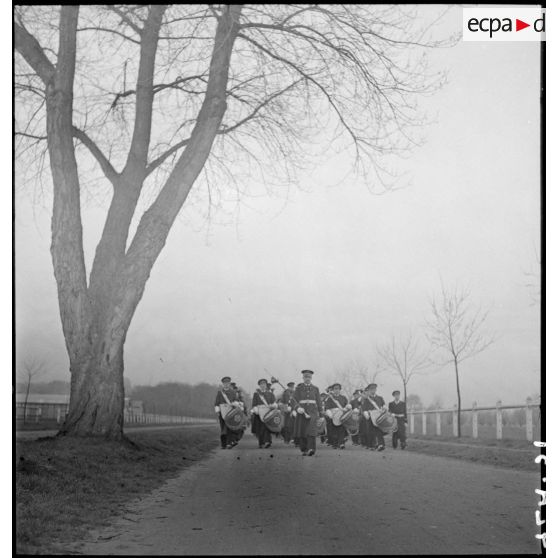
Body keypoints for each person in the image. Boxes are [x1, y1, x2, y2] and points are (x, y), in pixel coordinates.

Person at [292, 370, 322, 456]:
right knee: (303, 431)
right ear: (303, 378)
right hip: (302, 412)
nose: (307, 379)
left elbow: (319, 402)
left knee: (311, 430)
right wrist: (297, 408)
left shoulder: (315, 389)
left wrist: (321, 414)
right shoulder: (298, 388)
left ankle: (311, 448)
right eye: (305, 377)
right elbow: (294, 401)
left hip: (312, 412)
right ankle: (304, 449)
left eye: (309, 377)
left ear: (311, 378)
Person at [214, 376, 242, 449]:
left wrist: (235, 403)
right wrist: (217, 411)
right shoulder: (220, 393)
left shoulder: (233, 392)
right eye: (224, 383)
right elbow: (217, 403)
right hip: (222, 412)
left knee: (229, 428)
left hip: (231, 412)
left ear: (229, 383)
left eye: (227, 383)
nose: (226, 384)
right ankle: (224, 444)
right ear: (223, 384)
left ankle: (229, 443)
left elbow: (236, 400)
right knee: (223, 428)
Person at [250, 378, 278, 448]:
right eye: (261, 384)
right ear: (259, 385)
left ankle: (268, 441)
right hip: (259, 412)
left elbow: (274, 402)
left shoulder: (270, 394)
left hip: (268, 412)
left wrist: (274, 405)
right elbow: (254, 404)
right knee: (260, 428)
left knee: (267, 427)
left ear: (266, 385)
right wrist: (256, 409)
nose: (263, 385)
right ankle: (261, 442)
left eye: (264, 384)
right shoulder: (256, 394)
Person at [324, 383, 352, 449]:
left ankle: (341, 443)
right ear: (333, 390)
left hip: (341, 415)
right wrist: (329, 414)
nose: (337, 390)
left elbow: (346, 405)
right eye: (335, 389)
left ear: (340, 390)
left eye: (338, 389)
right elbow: (327, 408)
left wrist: (347, 407)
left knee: (341, 430)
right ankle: (335, 444)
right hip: (333, 415)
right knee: (334, 431)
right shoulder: (330, 398)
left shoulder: (343, 397)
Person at [360, 383, 386, 451]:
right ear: (369, 390)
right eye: (371, 389)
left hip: (378, 416)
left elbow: (383, 405)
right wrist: (366, 415)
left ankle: (381, 444)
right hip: (370, 416)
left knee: (379, 430)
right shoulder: (366, 399)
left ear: (376, 389)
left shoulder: (380, 398)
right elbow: (364, 408)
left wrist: (384, 408)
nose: (373, 390)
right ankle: (371, 445)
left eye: (374, 389)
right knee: (370, 431)